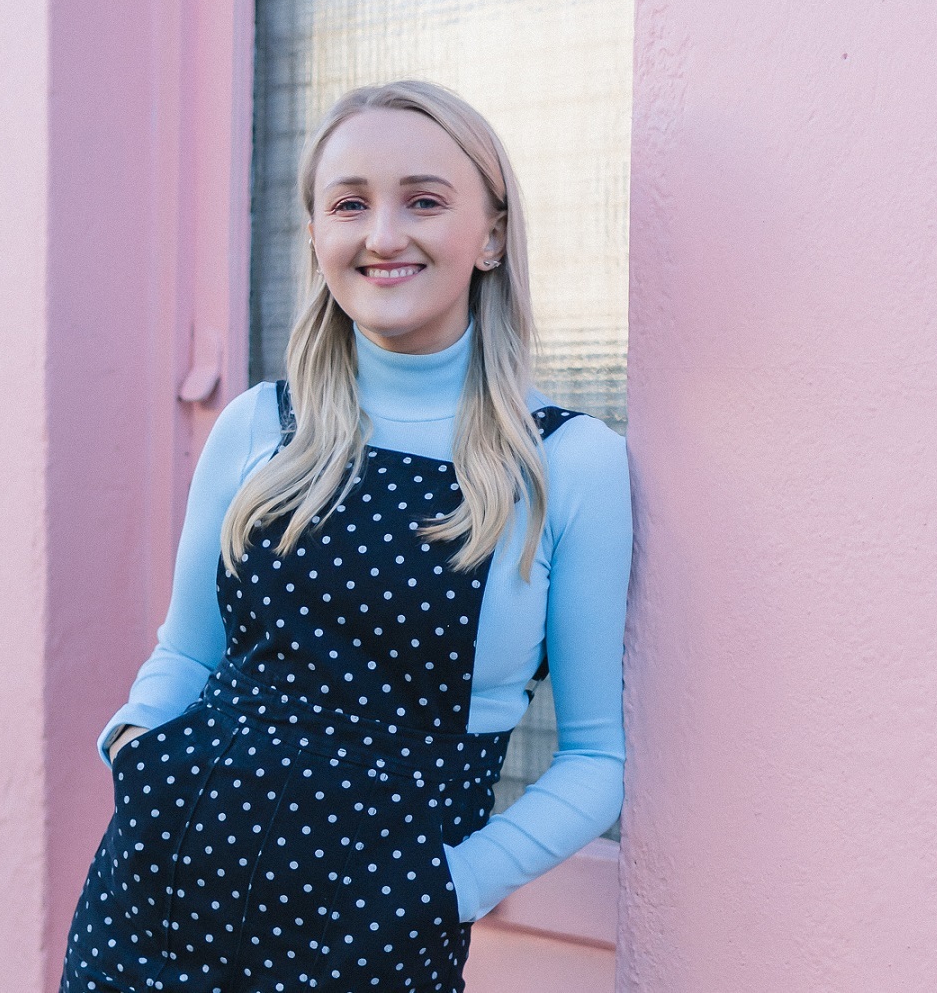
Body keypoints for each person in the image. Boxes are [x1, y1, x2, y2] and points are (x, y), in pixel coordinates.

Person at [60, 80, 631, 992]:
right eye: (349, 205)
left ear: (489, 234)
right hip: (153, 908)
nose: (382, 235)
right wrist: (138, 754)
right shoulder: (257, 425)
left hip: (370, 943)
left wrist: (448, 886)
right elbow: (185, 653)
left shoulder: (568, 464)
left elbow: (596, 756)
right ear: (318, 233)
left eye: (424, 201)